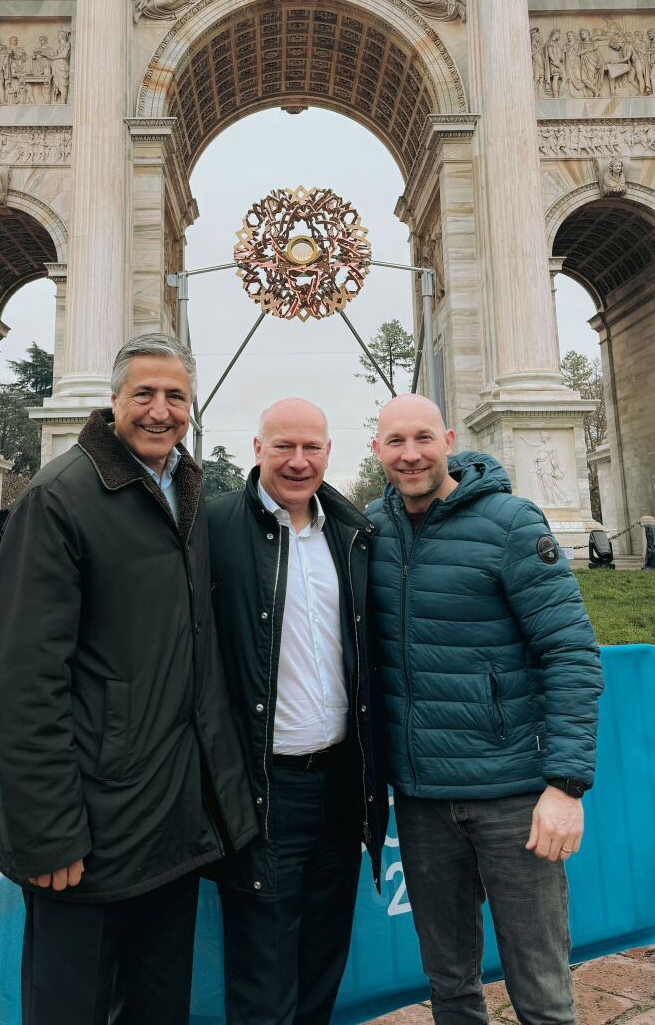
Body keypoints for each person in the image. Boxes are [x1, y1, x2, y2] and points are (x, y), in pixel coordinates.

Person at [0, 333, 257, 1025]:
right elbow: (24, 680)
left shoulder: (185, 490)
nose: (160, 410)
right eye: (144, 393)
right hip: (87, 824)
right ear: (114, 402)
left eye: (175, 396)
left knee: (157, 1005)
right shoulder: (57, 498)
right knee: (72, 1008)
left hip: (169, 820)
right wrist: (47, 832)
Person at [367, 395, 604, 1025]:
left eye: (422, 438)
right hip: (421, 801)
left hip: (514, 798)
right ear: (377, 450)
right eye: (395, 441)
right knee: (449, 987)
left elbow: (572, 652)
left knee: (543, 994)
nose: (410, 454)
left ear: (448, 439)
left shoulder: (511, 522)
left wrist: (566, 785)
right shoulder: (369, 532)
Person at [207, 398, 386, 1025]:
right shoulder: (214, 526)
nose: (298, 461)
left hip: (341, 783)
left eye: (312, 447)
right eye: (284, 446)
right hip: (265, 786)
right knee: (263, 967)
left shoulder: (353, 533)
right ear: (257, 450)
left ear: (329, 453)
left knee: (322, 956)